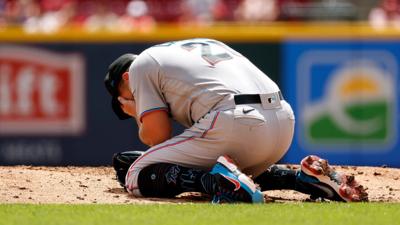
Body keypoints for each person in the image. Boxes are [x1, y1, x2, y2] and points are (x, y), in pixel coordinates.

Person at [104, 38, 368, 203]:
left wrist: (136, 111)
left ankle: (217, 183)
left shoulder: (138, 68)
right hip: (283, 121)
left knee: (134, 174)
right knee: (226, 164)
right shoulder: (193, 46)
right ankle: (301, 179)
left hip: (235, 121)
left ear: (125, 79)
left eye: (125, 97)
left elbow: (156, 136)